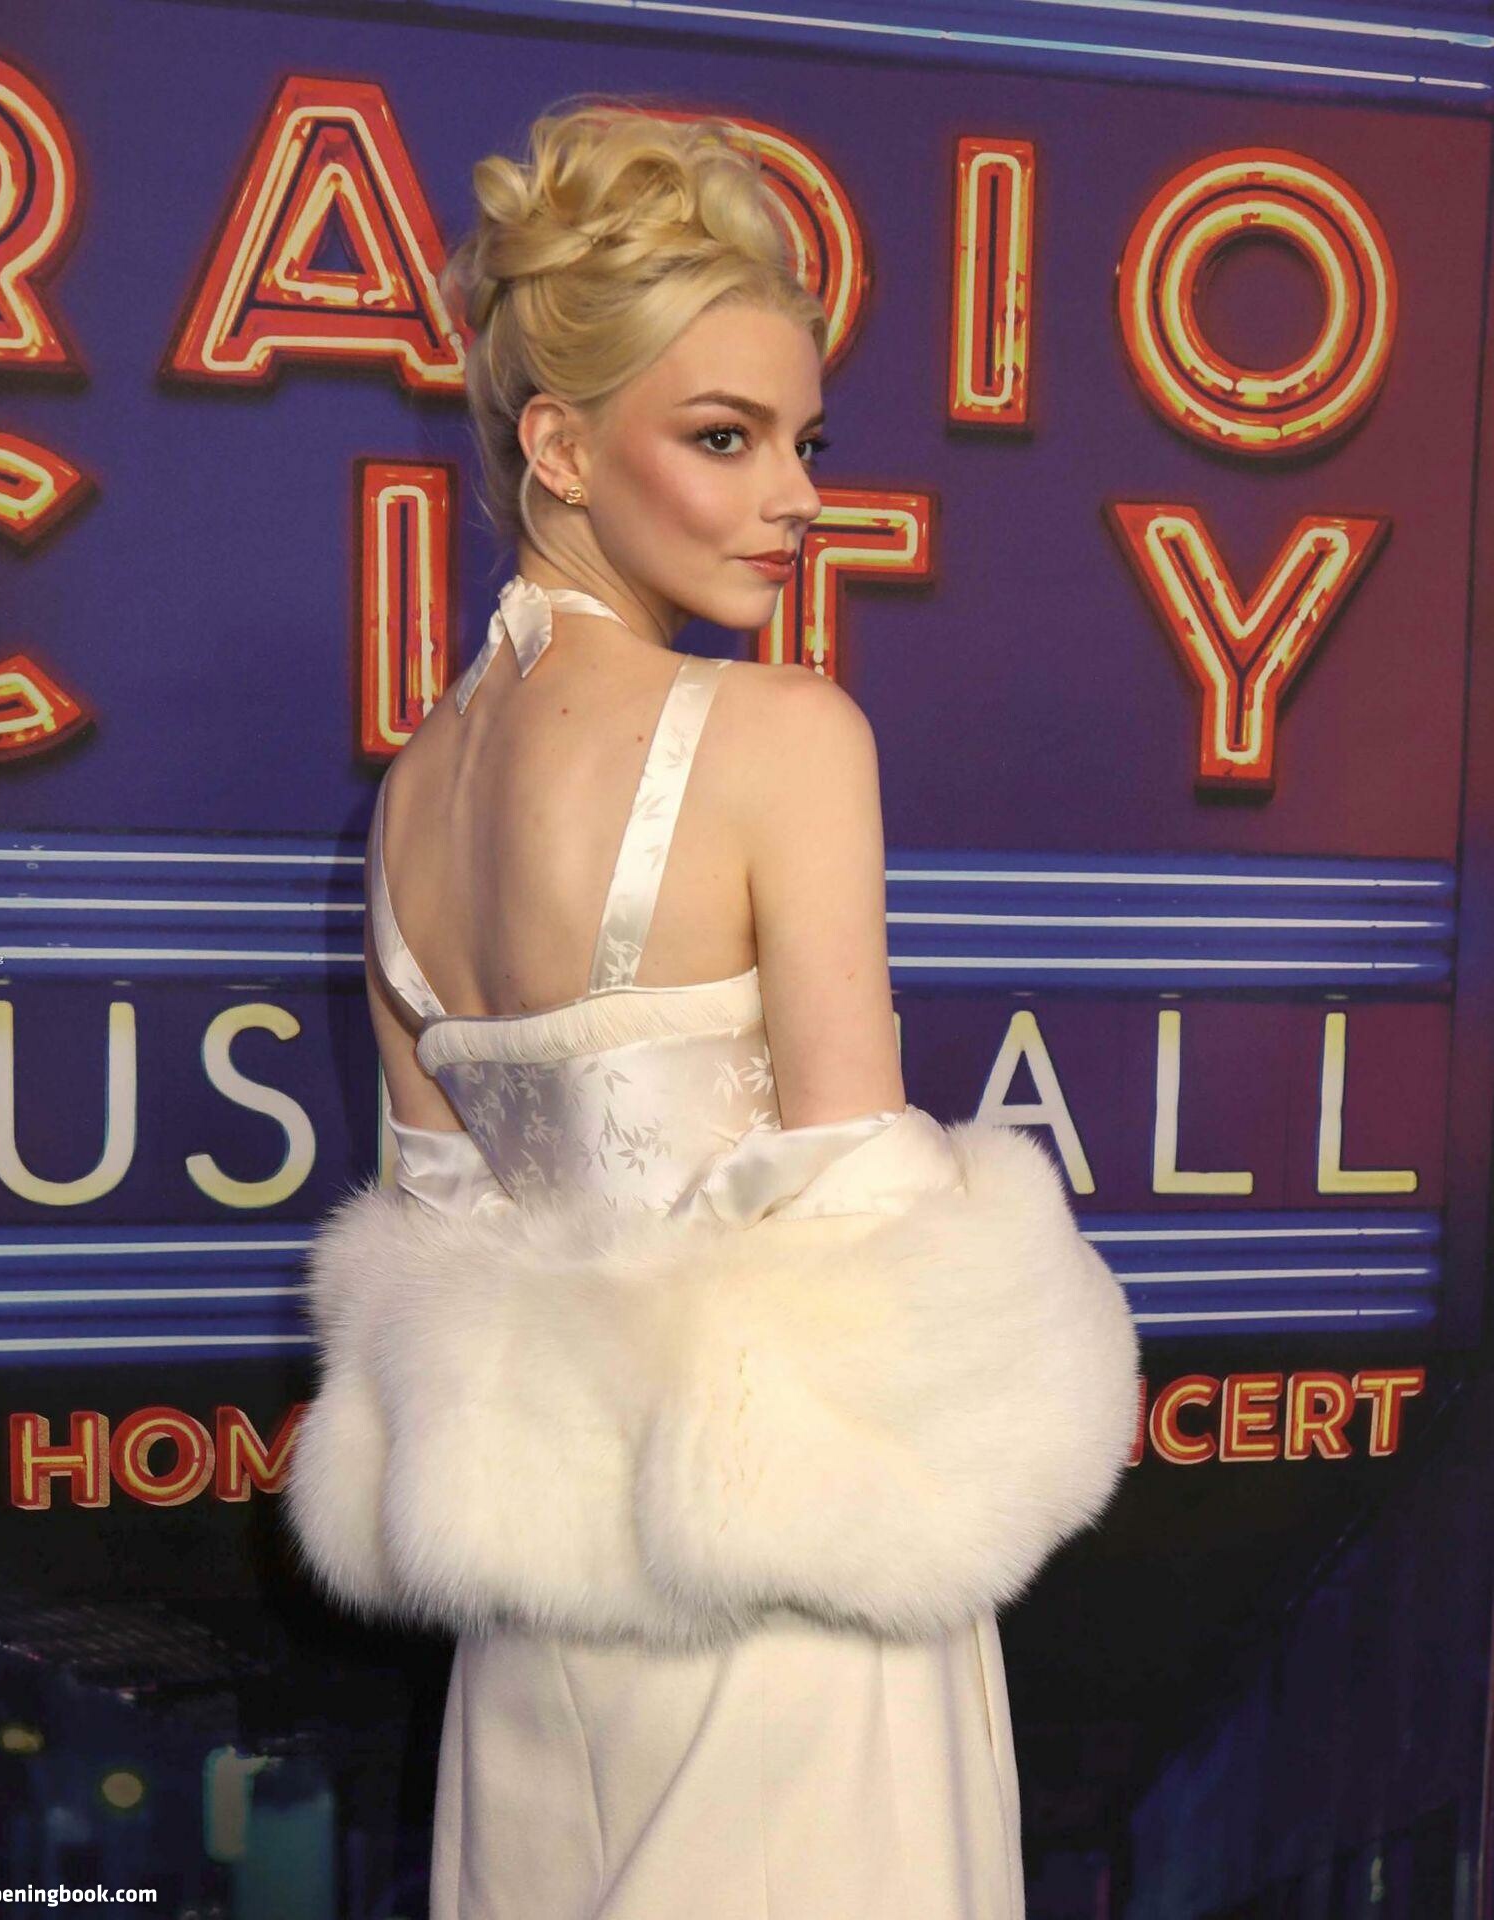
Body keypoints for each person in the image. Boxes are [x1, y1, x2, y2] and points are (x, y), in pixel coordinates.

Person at [285, 96, 1141, 1920]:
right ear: (560, 446)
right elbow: (855, 1188)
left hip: (535, 1639)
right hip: (789, 1594)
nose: (797, 497)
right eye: (725, 436)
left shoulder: (410, 803)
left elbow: (434, 1229)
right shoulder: (786, 734)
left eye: (804, 441)